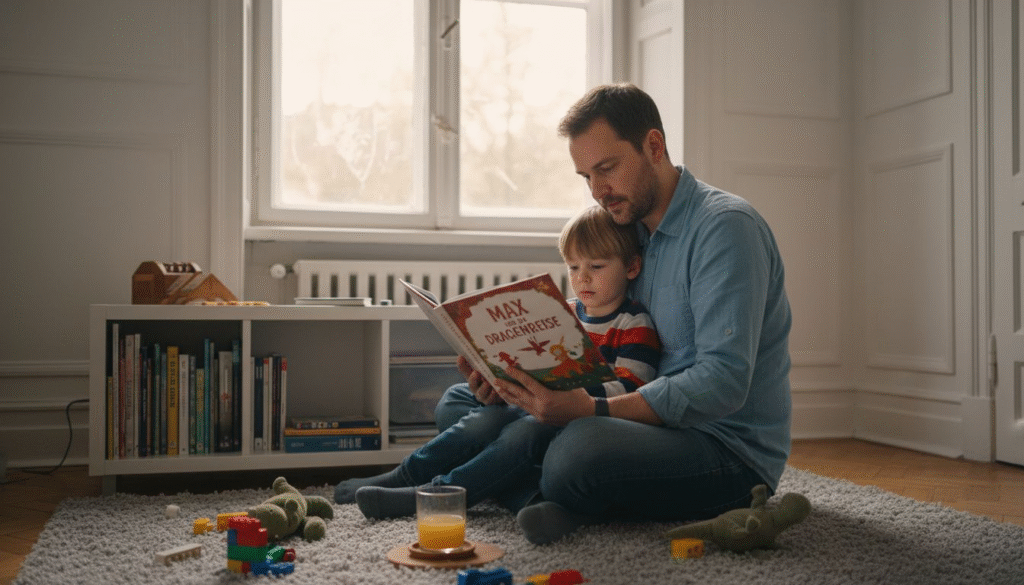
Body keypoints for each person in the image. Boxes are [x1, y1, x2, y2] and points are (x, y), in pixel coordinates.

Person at [471, 83, 793, 545]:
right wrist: (509, 376)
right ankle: (550, 499)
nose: (598, 191)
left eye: (607, 169)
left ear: (654, 146)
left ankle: (532, 487)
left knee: (576, 449)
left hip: (724, 450)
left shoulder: (725, 229)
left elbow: (724, 381)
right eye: (586, 177)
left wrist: (591, 410)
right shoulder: (627, 231)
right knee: (462, 407)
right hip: (637, 422)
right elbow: (600, 342)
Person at [333, 205, 660, 521]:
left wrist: (575, 393)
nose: (583, 278)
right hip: (533, 402)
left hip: (574, 418)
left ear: (631, 267)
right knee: (466, 408)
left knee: (521, 432)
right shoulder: (564, 311)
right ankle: (407, 475)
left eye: (597, 267)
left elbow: (632, 388)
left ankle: (441, 495)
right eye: (574, 267)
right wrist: (495, 380)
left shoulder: (633, 323)